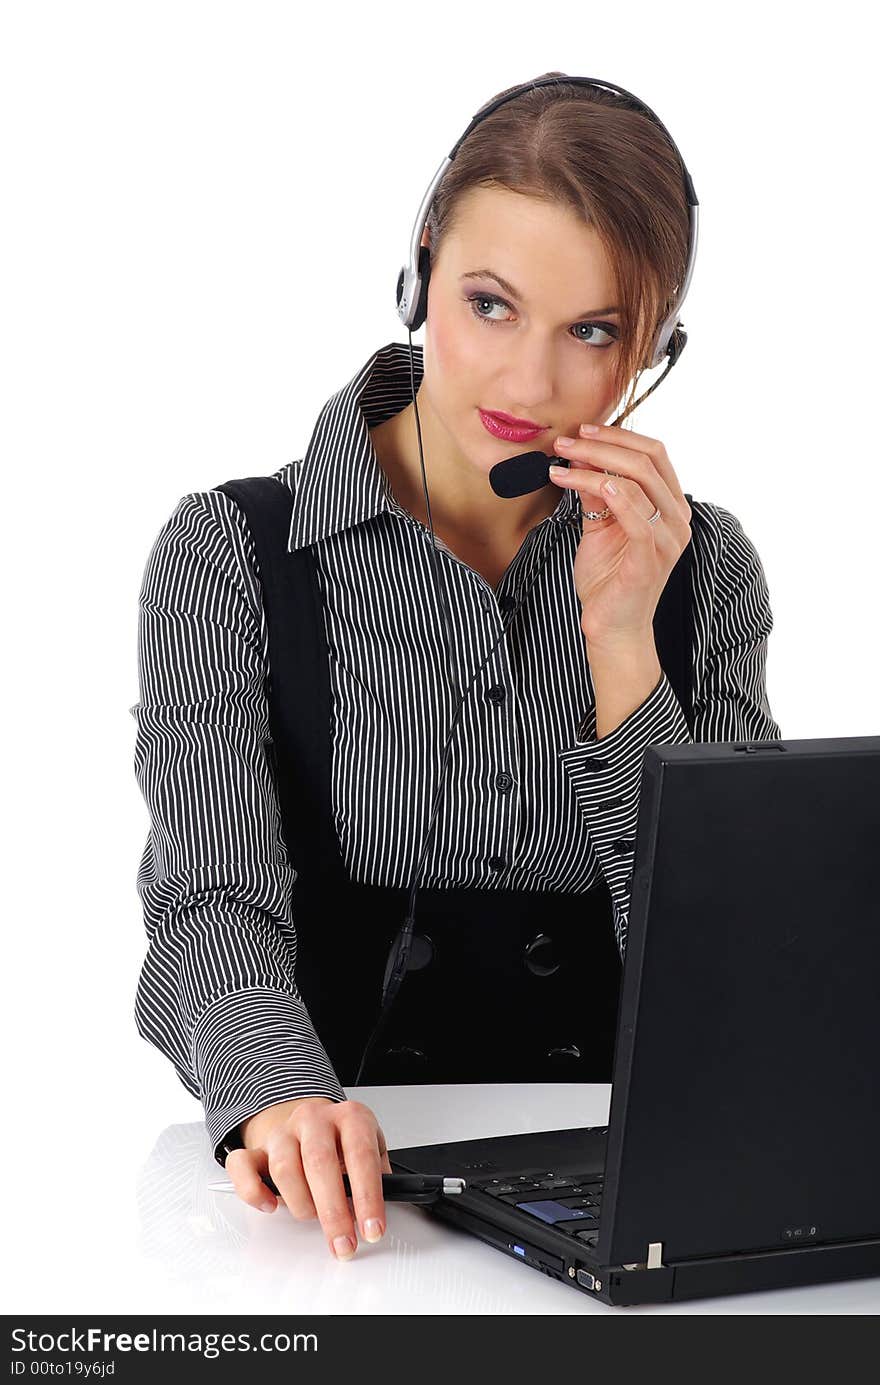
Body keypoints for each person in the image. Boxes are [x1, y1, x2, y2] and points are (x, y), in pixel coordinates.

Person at [130, 74, 781, 1264]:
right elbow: (209, 898)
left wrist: (625, 642)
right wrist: (277, 1092)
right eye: (490, 304)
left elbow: (737, 979)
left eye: (592, 332)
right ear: (419, 271)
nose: (529, 386)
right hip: (330, 1206)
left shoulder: (704, 567)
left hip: (622, 1197)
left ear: (654, 350)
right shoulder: (227, 554)